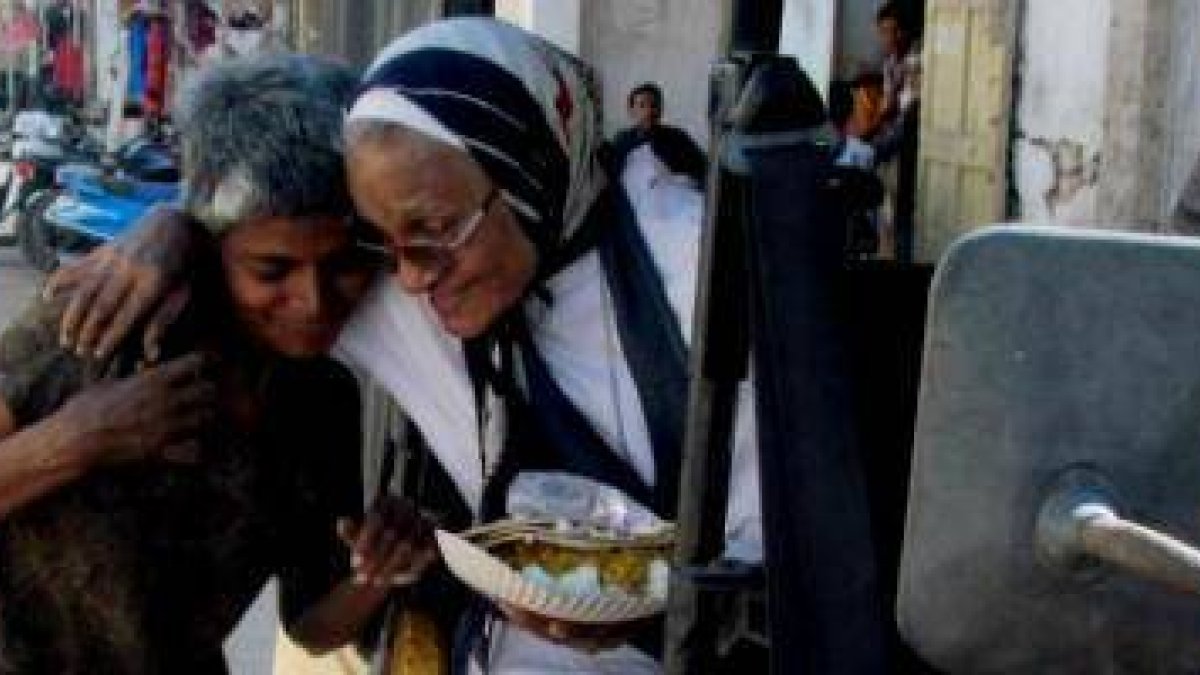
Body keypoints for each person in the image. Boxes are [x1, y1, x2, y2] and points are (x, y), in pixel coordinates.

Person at [48, 18, 762, 674]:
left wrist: (662, 610)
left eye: (434, 230)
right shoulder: (385, 275)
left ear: (526, 170)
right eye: (384, 244)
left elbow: (800, 555)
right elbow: (264, 232)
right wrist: (176, 225)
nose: (411, 278)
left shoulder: (689, 276)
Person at [0, 55, 435, 674]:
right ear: (211, 246)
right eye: (271, 270)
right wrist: (80, 438)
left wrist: (379, 571)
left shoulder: (322, 398)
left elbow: (310, 625)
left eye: (343, 265)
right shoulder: (110, 321)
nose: (313, 302)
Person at [873, 1, 922, 261]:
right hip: (894, 138)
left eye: (889, 31)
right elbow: (888, 106)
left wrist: (875, 146)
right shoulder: (891, 61)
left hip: (911, 141)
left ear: (904, 32)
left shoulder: (917, 57)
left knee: (905, 209)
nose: (885, 38)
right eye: (882, 31)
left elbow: (909, 111)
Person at [608, 81, 708, 188]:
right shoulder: (622, 140)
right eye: (642, 106)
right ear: (631, 110)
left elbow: (703, 170)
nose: (649, 111)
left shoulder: (677, 137)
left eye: (654, 106)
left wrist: (683, 180)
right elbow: (614, 178)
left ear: (661, 110)